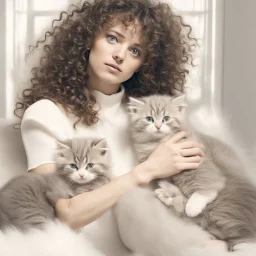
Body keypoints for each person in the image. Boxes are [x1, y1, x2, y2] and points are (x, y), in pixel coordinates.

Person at [15, 0, 206, 254]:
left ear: (145, 66)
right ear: (88, 38)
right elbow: (65, 216)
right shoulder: (46, 114)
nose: (120, 55)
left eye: (135, 51)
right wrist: (145, 171)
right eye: (113, 38)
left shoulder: (149, 119)